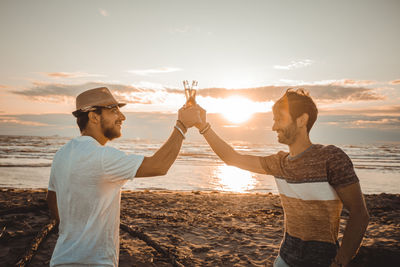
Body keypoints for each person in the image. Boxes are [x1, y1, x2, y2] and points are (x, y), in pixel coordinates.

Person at [194, 88, 370, 267]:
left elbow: (359, 213)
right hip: (284, 260)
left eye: (279, 119)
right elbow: (232, 158)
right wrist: (203, 126)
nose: (274, 126)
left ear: (302, 120)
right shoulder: (279, 163)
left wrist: (341, 261)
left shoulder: (331, 158)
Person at [46, 87, 200, 267]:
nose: (122, 117)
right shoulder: (102, 157)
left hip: (60, 259)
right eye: (113, 111)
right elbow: (159, 166)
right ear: (93, 116)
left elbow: (51, 199)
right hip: (94, 262)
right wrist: (181, 125)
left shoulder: (62, 154)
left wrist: (72, 231)